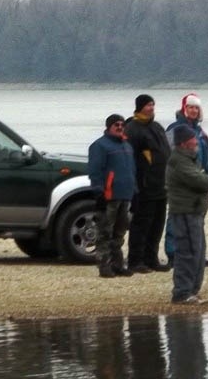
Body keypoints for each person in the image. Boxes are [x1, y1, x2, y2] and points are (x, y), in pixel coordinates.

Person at [166, 124, 208, 304]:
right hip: (185, 213)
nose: (196, 141)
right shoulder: (179, 161)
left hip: (194, 212)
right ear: (183, 143)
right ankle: (182, 293)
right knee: (187, 253)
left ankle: (192, 291)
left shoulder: (190, 159)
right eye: (192, 139)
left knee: (198, 252)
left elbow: (200, 179)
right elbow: (198, 180)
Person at [164, 92, 208, 266]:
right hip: (180, 178)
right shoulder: (174, 129)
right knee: (175, 216)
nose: (193, 110)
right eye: (190, 107)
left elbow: (207, 156)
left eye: (196, 108)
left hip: (198, 178)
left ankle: (197, 251)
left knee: (198, 215)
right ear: (184, 109)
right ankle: (173, 253)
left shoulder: (201, 133)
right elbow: (168, 154)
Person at [124, 93, 172, 273]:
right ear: (139, 107)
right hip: (143, 186)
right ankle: (135, 260)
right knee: (141, 224)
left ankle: (151, 258)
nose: (151, 108)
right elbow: (129, 159)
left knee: (157, 224)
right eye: (148, 105)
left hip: (161, 184)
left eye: (153, 104)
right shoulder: (132, 129)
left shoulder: (157, 127)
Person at [87, 114, 137, 278]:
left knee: (120, 232)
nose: (120, 127)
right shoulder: (99, 146)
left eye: (122, 124)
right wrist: (98, 192)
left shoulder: (127, 146)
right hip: (109, 196)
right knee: (105, 232)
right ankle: (104, 264)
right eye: (116, 124)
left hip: (125, 195)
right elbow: (95, 171)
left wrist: (134, 191)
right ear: (109, 126)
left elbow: (132, 171)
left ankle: (118, 264)